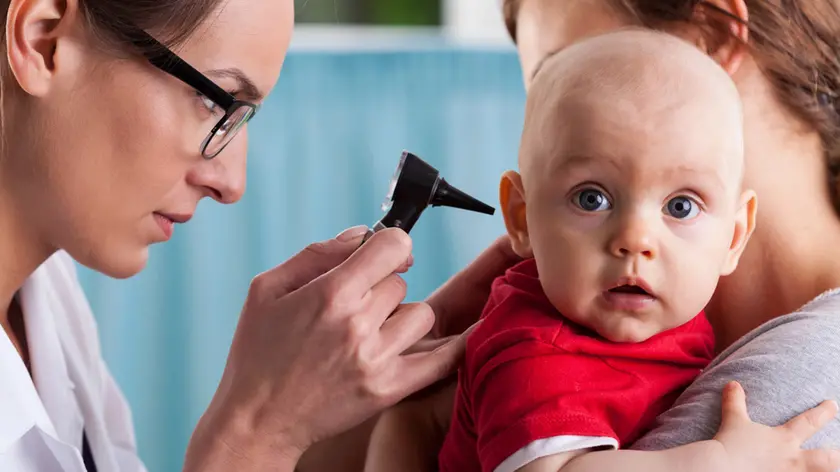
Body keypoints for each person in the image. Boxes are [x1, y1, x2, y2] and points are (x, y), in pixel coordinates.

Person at [0, 0, 520, 470]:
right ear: (44, 40)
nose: (232, 183)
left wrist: (318, 416)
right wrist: (251, 437)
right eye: (215, 104)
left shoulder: (47, 302)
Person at [331, 0, 840, 471]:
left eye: (680, 206)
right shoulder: (545, 345)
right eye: (591, 197)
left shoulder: (798, 362)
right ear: (521, 216)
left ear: (709, 34)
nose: (635, 239)